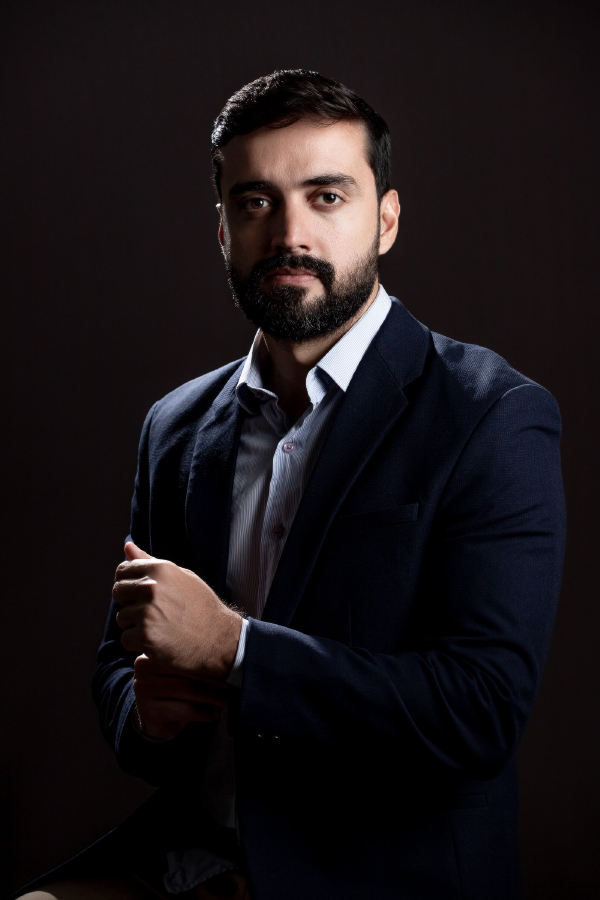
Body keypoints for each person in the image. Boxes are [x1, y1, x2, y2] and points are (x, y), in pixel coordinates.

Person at [18, 69, 566, 900]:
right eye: (255, 202)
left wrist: (234, 650)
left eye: (327, 197)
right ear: (223, 230)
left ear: (386, 220)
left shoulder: (493, 416)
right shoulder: (174, 424)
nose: (288, 234)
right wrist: (148, 715)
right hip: (184, 862)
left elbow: (480, 712)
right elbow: (120, 663)